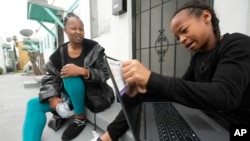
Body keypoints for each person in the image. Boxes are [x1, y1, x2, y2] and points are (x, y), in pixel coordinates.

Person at [98, 0, 250, 140]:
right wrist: (143, 88)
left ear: (206, 16)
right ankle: (109, 136)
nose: (182, 40)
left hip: (237, 128)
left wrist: (151, 78)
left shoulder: (238, 45)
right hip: (208, 117)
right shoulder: (198, 58)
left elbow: (225, 96)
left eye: (184, 30)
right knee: (140, 95)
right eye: (178, 38)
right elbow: (177, 92)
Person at [22, 13, 109, 141]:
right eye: (74, 28)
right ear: (65, 30)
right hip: (68, 96)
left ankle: (80, 118)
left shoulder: (94, 48)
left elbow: (105, 73)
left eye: (81, 29)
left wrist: (82, 71)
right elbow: (50, 76)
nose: (78, 32)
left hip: (92, 94)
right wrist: (52, 96)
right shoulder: (59, 54)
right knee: (33, 104)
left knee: (69, 75)